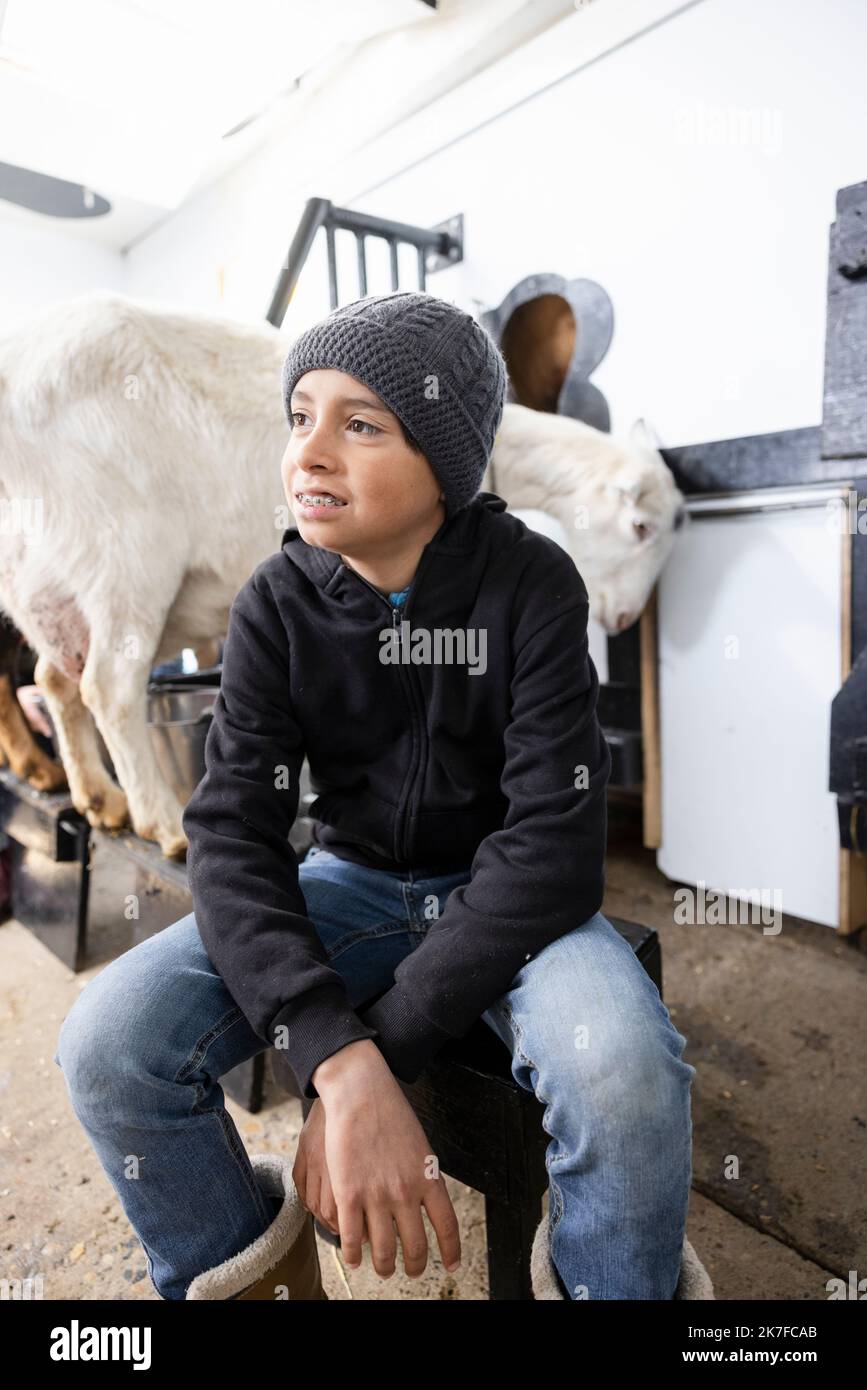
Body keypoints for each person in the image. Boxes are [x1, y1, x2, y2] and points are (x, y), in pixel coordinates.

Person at [54, 290, 699, 1301]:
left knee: (625, 1077)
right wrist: (333, 1058)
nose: (309, 452)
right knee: (106, 1045)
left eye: (360, 424)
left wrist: (380, 1052)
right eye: (300, 415)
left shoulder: (534, 584)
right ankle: (256, 1281)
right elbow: (231, 832)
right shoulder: (277, 598)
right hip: (348, 883)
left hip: (514, 902)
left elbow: (553, 846)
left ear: (447, 459)